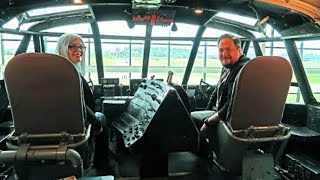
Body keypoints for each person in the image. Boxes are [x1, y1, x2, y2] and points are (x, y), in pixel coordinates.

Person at [55, 33, 109, 173]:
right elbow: (77, 104)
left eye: (81, 47)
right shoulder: (68, 73)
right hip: (75, 124)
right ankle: (102, 165)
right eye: (73, 46)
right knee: (102, 118)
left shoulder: (60, 71)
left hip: (62, 121)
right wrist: (96, 123)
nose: (79, 50)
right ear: (63, 47)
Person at [191, 33, 250, 157]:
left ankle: (204, 164)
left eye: (228, 49)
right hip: (221, 112)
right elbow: (216, 90)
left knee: (192, 119)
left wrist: (208, 122)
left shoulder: (242, 69)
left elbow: (232, 104)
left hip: (229, 118)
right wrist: (207, 110)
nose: (224, 54)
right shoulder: (228, 67)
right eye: (221, 50)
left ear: (239, 50)